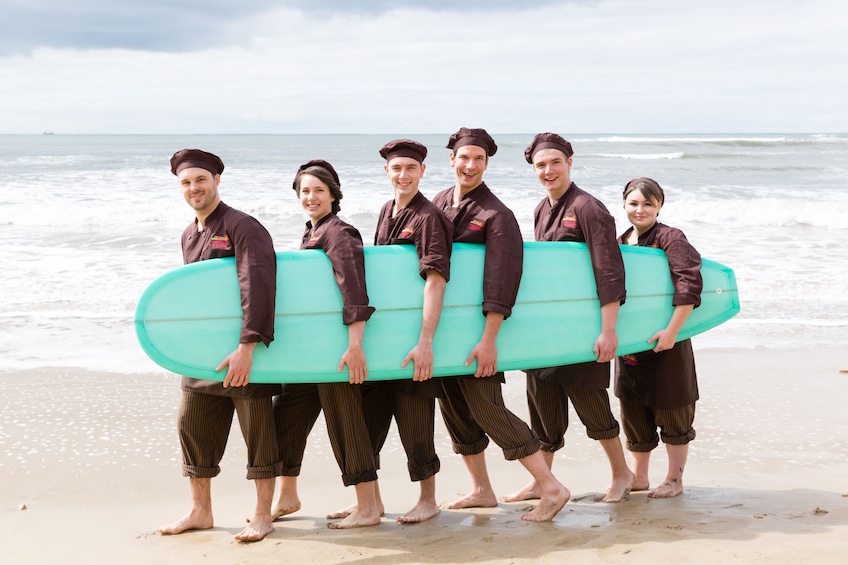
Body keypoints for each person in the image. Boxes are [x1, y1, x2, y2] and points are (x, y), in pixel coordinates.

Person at [431, 127, 570, 522]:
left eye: (479, 158)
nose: (470, 165)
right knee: (456, 410)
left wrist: (489, 339)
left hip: (479, 332)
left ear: (487, 163)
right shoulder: (439, 203)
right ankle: (481, 489)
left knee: (487, 409)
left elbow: (502, 281)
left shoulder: (497, 215)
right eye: (464, 157)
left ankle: (550, 486)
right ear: (452, 161)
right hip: (445, 332)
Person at [504, 133, 634, 505]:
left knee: (591, 404)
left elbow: (609, 271)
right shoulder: (541, 209)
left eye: (554, 163)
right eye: (540, 165)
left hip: (581, 329)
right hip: (548, 330)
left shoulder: (590, 208)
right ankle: (541, 479)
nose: (548, 171)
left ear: (570, 163)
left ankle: (622, 474)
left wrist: (609, 330)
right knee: (541, 404)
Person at [158, 148, 280, 542]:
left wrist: (247, 346)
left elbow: (258, 287)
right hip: (201, 356)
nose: (194, 188)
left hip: (245, 352)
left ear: (217, 181)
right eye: (186, 182)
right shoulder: (188, 233)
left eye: (201, 180)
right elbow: (192, 297)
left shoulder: (244, 226)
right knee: (191, 428)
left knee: (258, 434)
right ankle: (200, 510)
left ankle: (262, 515)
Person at [271, 159, 382, 529]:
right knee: (285, 415)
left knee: (346, 424)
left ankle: (368, 506)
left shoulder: (340, 233)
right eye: (305, 190)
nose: (311, 196)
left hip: (337, 349)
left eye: (319, 190)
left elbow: (354, 291)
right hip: (310, 353)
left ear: (334, 195)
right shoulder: (312, 232)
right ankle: (287, 494)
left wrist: (355, 345)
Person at [357, 138, 452, 523]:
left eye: (410, 168)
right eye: (396, 168)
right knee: (371, 423)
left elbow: (435, 281)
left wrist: (425, 341)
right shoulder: (385, 210)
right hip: (386, 338)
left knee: (416, 424)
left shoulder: (429, 217)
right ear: (386, 172)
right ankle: (373, 503)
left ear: (423, 172)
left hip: (416, 336)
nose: (403, 175)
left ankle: (428, 499)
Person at [616, 177, 702, 498]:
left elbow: (689, 285)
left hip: (669, 338)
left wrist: (672, 331)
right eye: (634, 203)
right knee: (634, 407)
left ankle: (675, 480)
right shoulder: (621, 240)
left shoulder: (671, 238)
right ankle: (639, 477)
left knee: (673, 407)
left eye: (648, 203)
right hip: (631, 342)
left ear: (659, 206)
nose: (640, 210)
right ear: (624, 205)